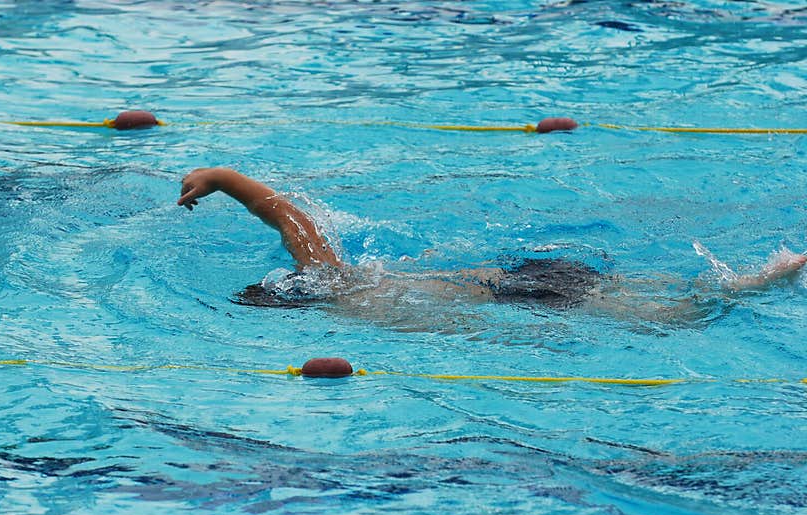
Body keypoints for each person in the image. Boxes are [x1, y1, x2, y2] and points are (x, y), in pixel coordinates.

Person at [177, 166, 806, 326]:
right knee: (645, 300)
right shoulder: (341, 273)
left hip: (510, 298)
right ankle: (750, 283)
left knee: (669, 317)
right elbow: (286, 214)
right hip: (509, 275)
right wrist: (220, 177)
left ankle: (751, 285)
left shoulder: (338, 298)